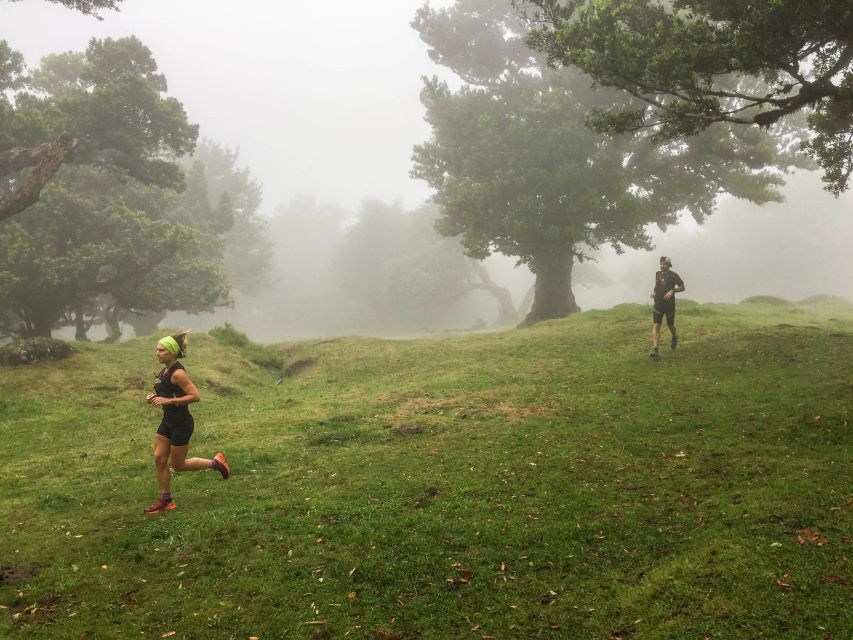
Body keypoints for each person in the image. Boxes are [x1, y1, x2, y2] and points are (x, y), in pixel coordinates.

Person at [144, 331, 231, 514]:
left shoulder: (178, 373)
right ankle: (166, 500)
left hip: (181, 423)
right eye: (156, 350)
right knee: (159, 459)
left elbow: (195, 396)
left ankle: (216, 463)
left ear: (171, 352)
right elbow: (168, 391)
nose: (157, 353)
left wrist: (168, 401)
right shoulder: (164, 370)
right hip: (167, 421)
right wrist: (155, 397)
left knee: (178, 465)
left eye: (161, 350)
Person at [649, 256, 685, 358]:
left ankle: (674, 337)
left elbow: (682, 287)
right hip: (658, 304)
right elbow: (657, 286)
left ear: (669, 265)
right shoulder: (657, 274)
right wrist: (654, 292)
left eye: (664, 264)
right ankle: (655, 350)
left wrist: (672, 291)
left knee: (670, 326)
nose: (662, 266)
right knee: (656, 325)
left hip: (669, 305)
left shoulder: (674, 275)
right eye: (661, 264)